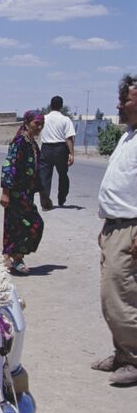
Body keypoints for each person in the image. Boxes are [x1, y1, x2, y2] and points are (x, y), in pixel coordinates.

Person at [91, 73, 137, 386]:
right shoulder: (128, 135)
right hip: (115, 226)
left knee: (121, 296)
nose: (118, 105)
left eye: (124, 100)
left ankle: (133, 360)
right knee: (113, 297)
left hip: (130, 228)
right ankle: (122, 354)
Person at [0, 110, 45, 275]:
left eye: (42, 124)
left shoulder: (32, 144)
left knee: (18, 226)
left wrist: (43, 195)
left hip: (27, 195)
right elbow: (9, 165)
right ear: (27, 123)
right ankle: (15, 258)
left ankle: (11, 257)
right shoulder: (20, 141)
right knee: (32, 225)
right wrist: (5, 192)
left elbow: (36, 171)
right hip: (16, 194)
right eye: (36, 123)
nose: (39, 127)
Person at [39, 95, 76, 210]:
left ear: (50, 105)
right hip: (60, 149)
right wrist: (71, 154)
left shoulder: (43, 119)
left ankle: (45, 203)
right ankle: (62, 198)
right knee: (63, 175)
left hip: (46, 149)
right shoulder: (65, 119)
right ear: (61, 106)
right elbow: (69, 138)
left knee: (45, 176)